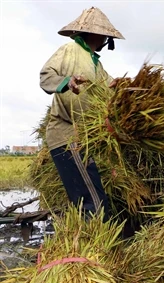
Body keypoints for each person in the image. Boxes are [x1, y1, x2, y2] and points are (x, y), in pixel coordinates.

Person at [39, 7, 125, 222]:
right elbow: (46, 76)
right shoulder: (70, 50)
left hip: (83, 139)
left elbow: (109, 88)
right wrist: (67, 81)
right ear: (94, 33)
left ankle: (84, 242)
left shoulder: (96, 63)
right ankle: (94, 248)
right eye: (104, 34)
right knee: (93, 202)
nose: (106, 38)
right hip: (67, 136)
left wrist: (121, 87)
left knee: (90, 198)